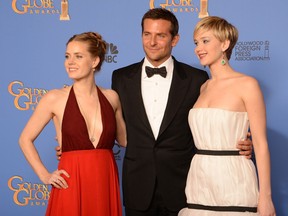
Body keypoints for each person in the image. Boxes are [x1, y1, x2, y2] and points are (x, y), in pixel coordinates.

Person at [111, 8, 253, 216]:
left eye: (160, 35)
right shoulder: (121, 77)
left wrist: (243, 140)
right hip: (137, 185)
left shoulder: (197, 79)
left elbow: (214, 121)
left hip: (185, 186)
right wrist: (73, 144)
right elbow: (109, 120)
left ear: (174, 39)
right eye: (147, 34)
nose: (152, 42)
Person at [19, 32, 126, 216]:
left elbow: (125, 141)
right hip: (71, 183)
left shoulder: (112, 97)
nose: (70, 62)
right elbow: (25, 139)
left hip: (104, 181)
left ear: (95, 62)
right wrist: (45, 175)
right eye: (67, 56)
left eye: (78, 56)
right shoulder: (54, 98)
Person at [178, 16, 276, 216]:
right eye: (196, 43)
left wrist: (265, 197)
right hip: (200, 181)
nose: (198, 48)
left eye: (206, 41)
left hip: (234, 180)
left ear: (225, 43)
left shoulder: (247, 84)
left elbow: (261, 144)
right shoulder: (203, 86)